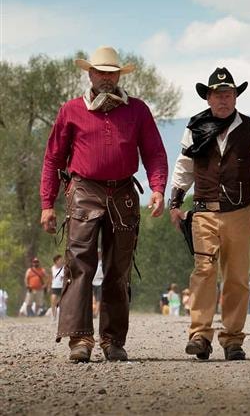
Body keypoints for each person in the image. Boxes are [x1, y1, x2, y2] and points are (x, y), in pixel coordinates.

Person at [39, 46, 167, 362]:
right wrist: (47, 203)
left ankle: (112, 340)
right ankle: (80, 340)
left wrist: (158, 188)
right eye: (101, 72)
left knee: (117, 270)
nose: (106, 77)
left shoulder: (137, 110)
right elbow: (54, 156)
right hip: (83, 191)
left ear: (119, 75)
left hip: (123, 193)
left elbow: (154, 153)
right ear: (90, 74)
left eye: (112, 72)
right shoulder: (70, 110)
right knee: (79, 265)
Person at [169, 67, 250, 361]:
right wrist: (175, 203)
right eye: (217, 95)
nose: (223, 100)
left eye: (228, 94)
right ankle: (200, 335)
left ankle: (232, 340)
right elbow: (184, 169)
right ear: (208, 98)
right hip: (203, 212)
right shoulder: (194, 129)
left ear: (235, 97)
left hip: (239, 213)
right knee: (203, 272)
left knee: (237, 278)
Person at [50, 255, 64, 321]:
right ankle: (54, 316)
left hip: (62, 286)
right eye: (60, 260)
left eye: (61, 259)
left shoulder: (64, 268)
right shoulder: (52, 268)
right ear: (56, 261)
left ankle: (62, 316)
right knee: (53, 300)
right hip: (55, 286)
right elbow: (51, 277)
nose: (61, 261)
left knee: (62, 301)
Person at [92, 254, 103, 319]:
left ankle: (96, 313)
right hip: (93, 282)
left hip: (100, 282)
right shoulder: (93, 261)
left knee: (98, 298)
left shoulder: (102, 263)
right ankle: (93, 311)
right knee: (94, 298)